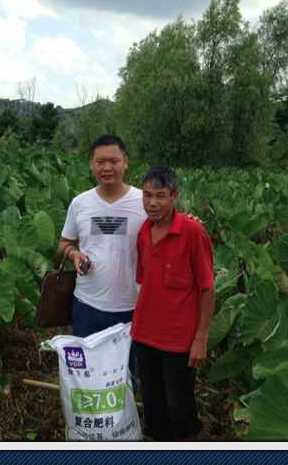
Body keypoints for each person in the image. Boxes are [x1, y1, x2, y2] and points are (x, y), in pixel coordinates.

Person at [131, 165, 215, 441]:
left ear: (175, 196)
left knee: (180, 408)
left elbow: (207, 289)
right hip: (144, 335)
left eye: (160, 196)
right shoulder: (144, 231)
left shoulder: (193, 232)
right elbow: (145, 282)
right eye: (147, 195)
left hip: (179, 341)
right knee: (153, 407)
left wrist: (201, 337)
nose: (152, 203)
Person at [58, 134, 146, 338]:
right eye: (100, 162)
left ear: (125, 163)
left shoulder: (143, 202)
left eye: (114, 161)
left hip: (133, 306)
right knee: (89, 369)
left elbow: (171, 229)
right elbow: (64, 243)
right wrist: (73, 254)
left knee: (128, 369)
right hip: (87, 304)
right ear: (91, 165)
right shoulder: (80, 203)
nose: (107, 168)